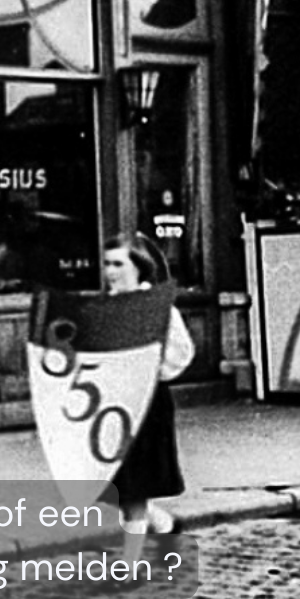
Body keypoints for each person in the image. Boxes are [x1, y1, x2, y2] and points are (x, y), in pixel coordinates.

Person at [103, 233, 194, 556]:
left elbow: (181, 351)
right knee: (113, 484)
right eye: (107, 264)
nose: (110, 271)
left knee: (134, 487)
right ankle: (163, 524)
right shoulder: (107, 306)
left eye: (118, 264)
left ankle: (130, 561)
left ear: (138, 267)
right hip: (111, 405)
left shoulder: (157, 306)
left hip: (145, 403)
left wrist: (149, 368)